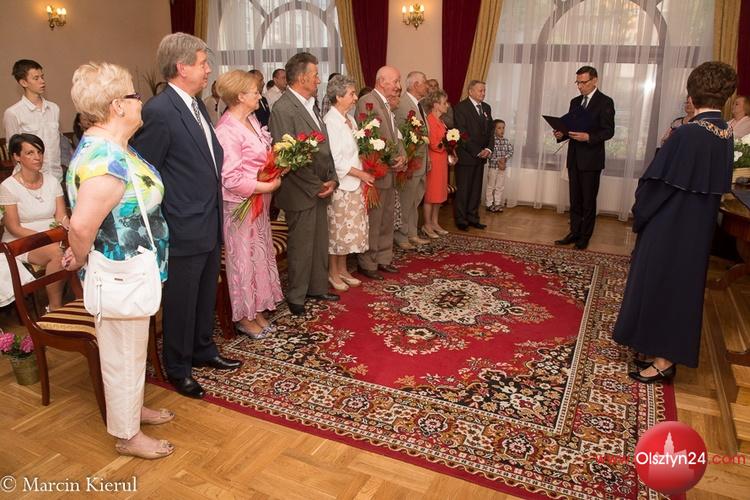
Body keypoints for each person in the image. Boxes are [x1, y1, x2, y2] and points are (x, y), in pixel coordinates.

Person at [64, 62, 173, 459]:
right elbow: (81, 226)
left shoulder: (115, 147)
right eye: (134, 95)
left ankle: (133, 410)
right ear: (117, 106)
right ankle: (127, 436)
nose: (140, 101)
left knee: (131, 350)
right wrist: (78, 257)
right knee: (122, 354)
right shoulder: (104, 160)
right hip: (121, 274)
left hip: (133, 271)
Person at [132, 33, 242, 400]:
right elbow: (146, 174)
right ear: (182, 67)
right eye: (202, 63)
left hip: (208, 219)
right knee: (181, 300)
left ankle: (202, 349)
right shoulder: (159, 111)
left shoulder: (196, 106)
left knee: (204, 292)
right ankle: (178, 368)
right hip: (181, 224)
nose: (208, 70)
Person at [613, 61, 737, 384]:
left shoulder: (689, 133)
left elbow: (657, 183)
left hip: (669, 225)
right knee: (679, 288)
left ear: (692, 93)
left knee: (659, 284)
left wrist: (641, 213)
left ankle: (664, 361)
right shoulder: (725, 131)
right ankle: (656, 350)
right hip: (697, 229)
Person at [268, 52, 339, 316]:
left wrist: (333, 178)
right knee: (301, 245)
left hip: (320, 185)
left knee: (319, 242)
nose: (319, 80)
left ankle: (316, 287)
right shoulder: (284, 109)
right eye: (315, 75)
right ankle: (296, 295)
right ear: (301, 78)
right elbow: (287, 155)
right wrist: (316, 185)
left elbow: (324, 147)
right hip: (300, 190)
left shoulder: (311, 104)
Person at [214, 70, 283, 337]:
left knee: (258, 257)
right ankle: (244, 316)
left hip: (259, 202)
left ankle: (258, 309)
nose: (259, 95)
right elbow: (230, 178)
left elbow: (262, 156)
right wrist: (268, 185)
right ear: (240, 96)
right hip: (240, 207)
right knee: (243, 261)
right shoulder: (226, 130)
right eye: (255, 91)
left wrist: (277, 167)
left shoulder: (252, 119)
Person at [0, 133, 67, 311]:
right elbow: (13, 227)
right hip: (21, 240)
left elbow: (61, 216)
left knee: (80, 247)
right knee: (58, 253)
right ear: (17, 157)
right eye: (30, 153)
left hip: (53, 236)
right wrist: (46, 237)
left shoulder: (52, 181)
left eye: (39, 152)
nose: (37, 157)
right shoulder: (8, 186)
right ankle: (55, 306)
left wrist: (68, 227)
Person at [553, 66, 615, 250]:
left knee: (588, 200)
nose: (579, 86)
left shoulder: (605, 102)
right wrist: (561, 134)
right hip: (574, 158)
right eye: (577, 82)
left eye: (583, 82)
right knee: (575, 199)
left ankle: (585, 236)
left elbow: (609, 131)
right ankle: (574, 232)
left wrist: (589, 137)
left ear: (594, 80)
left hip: (591, 159)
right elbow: (570, 127)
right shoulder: (575, 102)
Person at [354, 66, 407, 281]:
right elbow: (371, 138)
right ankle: (368, 262)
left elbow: (395, 136)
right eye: (395, 81)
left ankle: (384, 258)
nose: (398, 86)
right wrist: (392, 160)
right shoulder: (367, 101)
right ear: (381, 81)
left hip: (389, 172)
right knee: (374, 221)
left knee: (386, 219)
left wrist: (402, 157)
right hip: (376, 171)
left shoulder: (385, 103)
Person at [323, 75, 373, 291]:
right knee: (337, 232)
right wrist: (361, 174)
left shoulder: (350, 119)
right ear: (338, 96)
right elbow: (336, 160)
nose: (355, 98)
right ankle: (332, 273)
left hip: (354, 184)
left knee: (347, 233)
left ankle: (343, 270)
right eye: (352, 94)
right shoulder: (330, 122)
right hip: (341, 186)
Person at [4, 59, 63, 182]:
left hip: (56, 176)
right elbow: (13, 151)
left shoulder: (54, 108)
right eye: (36, 78)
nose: (42, 81)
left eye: (42, 77)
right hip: (30, 179)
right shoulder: (13, 113)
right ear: (23, 82)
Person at [394, 71, 430, 250]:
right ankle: (401, 236)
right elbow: (401, 136)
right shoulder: (403, 105)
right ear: (415, 85)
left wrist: (427, 160)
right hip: (410, 164)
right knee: (406, 201)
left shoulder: (418, 105)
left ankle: (412, 233)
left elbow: (423, 136)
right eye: (425, 83)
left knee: (415, 201)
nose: (427, 86)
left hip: (420, 163)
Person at [453, 80, 494, 232]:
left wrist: (488, 149)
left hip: (482, 156)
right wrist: (477, 150)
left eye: (484, 90)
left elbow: (491, 131)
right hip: (467, 155)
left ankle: (473, 217)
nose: (483, 93)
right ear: (470, 91)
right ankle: (461, 219)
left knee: (476, 189)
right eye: (480, 90)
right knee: (463, 190)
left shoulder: (486, 107)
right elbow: (461, 133)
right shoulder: (460, 108)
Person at [422, 90, 451, 238]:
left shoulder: (441, 121)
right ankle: (427, 225)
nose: (447, 105)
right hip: (433, 160)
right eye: (444, 103)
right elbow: (433, 144)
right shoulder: (430, 120)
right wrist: (448, 144)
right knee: (431, 194)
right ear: (435, 105)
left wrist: (452, 147)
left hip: (442, 160)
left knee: (439, 193)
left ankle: (435, 222)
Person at [486, 119, 513, 213]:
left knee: (499, 186)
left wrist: (505, 158)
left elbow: (511, 151)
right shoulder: (492, 141)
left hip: (502, 168)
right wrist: (498, 161)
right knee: (491, 186)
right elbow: (489, 154)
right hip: (493, 168)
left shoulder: (506, 141)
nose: (502, 130)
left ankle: (497, 203)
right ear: (494, 129)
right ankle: (489, 204)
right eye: (499, 128)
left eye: (503, 128)